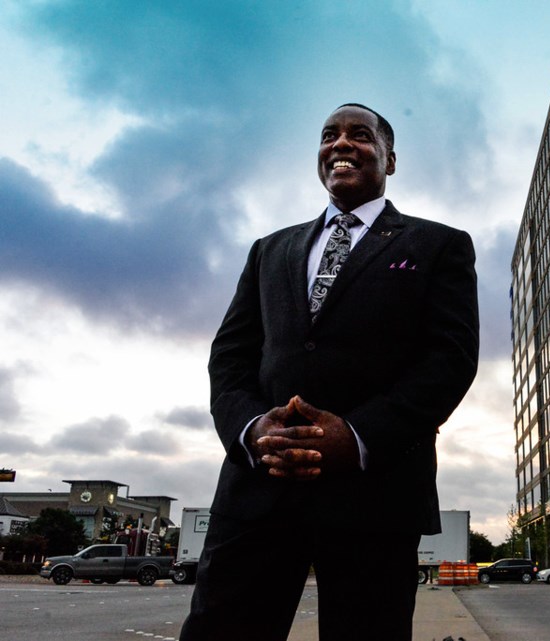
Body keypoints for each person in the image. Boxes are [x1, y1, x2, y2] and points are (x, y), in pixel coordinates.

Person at [179, 103, 480, 641]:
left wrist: (357, 435)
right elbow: (229, 358)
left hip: (375, 494)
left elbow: (450, 360)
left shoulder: (439, 245)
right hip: (258, 490)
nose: (341, 143)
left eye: (360, 135)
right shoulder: (268, 250)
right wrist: (252, 430)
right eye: (328, 135)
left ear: (391, 159)